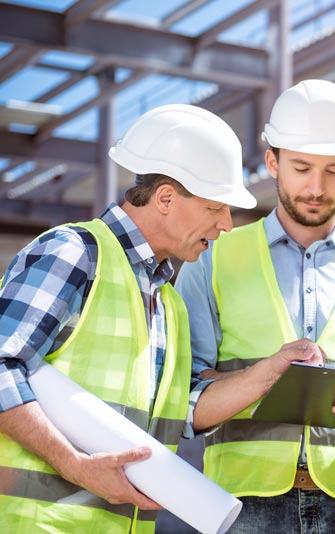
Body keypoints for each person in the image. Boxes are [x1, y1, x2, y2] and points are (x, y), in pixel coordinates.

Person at [176, 79, 335, 533]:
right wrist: (261, 376)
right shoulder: (213, 258)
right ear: (272, 162)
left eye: (333, 170)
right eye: (302, 167)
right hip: (243, 505)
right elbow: (183, 393)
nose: (316, 187)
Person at [0, 104, 257, 532]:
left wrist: (273, 373)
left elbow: (185, 412)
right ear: (166, 199)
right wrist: (75, 465)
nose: (227, 225)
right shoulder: (75, 253)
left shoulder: (169, 303)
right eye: (216, 208)